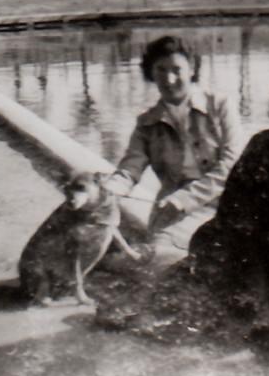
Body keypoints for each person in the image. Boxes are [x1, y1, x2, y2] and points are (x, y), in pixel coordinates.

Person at [104, 61, 269, 362]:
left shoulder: (263, 141)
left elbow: (230, 221)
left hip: (228, 275)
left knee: (138, 315)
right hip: (257, 293)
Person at [104, 35, 242, 266]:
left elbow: (232, 165)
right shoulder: (146, 123)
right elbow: (130, 168)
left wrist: (183, 199)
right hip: (171, 214)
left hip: (224, 205)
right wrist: (109, 189)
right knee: (157, 258)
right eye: (160, 70)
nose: (169, 79)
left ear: (192, 69)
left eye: (177, 70)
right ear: (151, 73)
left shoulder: (220, 106)